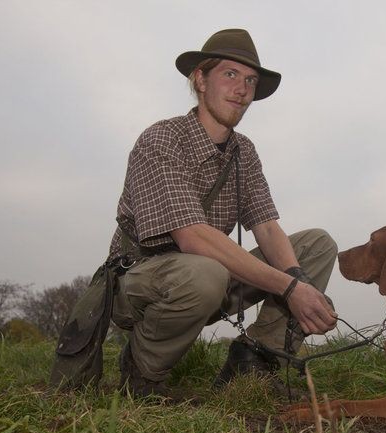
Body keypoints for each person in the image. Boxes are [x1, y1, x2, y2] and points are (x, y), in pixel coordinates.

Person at [108, 28, 339, 398]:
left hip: (209, 279)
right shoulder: (162, 138)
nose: (243, 89)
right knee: (206, 270)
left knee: (318, 245)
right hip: (142, 286)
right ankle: (141, 375)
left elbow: (265, 224)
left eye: (250, 80)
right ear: (200, 79)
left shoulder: (243, 152)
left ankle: (255, 362)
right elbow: (192, 237)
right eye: (230, 74)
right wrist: (290, 288)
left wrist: (299, 278)